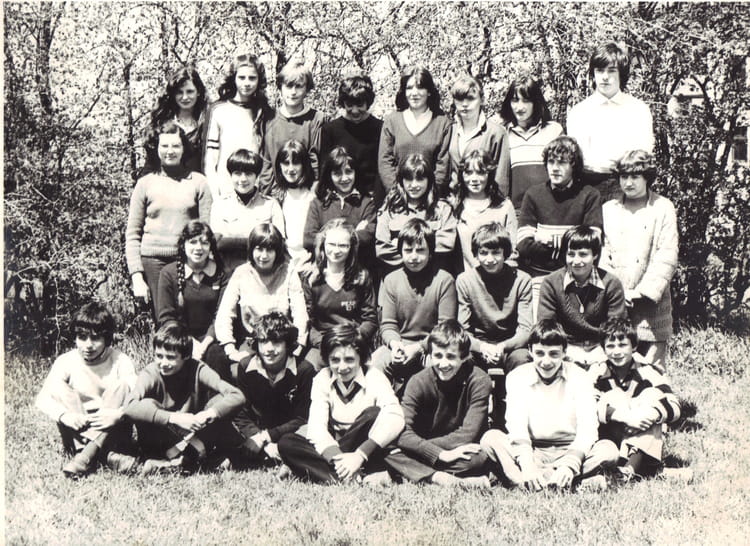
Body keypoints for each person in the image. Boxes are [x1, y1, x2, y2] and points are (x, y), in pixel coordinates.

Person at [480, 319, 619, 491]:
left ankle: (526, 483)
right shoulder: (517, 377)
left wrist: (570, 465)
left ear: (564, 352)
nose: (546, 362)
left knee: (609, 451)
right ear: (530, 351)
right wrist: (528, 465)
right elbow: (517, 427)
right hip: (533, 449)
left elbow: (588, 428)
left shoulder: (580, 377)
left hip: (570, 448)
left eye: (553, 354)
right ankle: (571, 484)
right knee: (491, 439)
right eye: (540, 353)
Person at [277, 324, 405, 484]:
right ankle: (354, 477)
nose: (342, 367)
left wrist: (360, 455)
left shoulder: (374, 376)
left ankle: (323, 472)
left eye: (349, 359)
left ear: (361, 358)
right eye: (335, 360)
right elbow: (317, 428)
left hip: (365, 448)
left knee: (374, 413)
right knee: (287, 443)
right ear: (327, 359)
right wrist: (339, 460)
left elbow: (396, 416)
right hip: (335, 446)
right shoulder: (322, 378)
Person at [120, 324, 245, 474]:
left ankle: (178, 463)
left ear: (186, 356)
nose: (163, 363)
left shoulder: (198, 369)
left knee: (219, 401)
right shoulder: (151, 373)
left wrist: (207, 414)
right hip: (160, 439)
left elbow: (237, 395)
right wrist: (174, 418)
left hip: (192, 436)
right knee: (146, 404)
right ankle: (182, 461)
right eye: (159, 356)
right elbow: (129, 406)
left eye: (170, 357)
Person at [385, 320, 492, 487]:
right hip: (429, 448)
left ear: (464, 357)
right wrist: (440, 454)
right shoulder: (418, 381)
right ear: (429, 356)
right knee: (388, 448)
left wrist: (425, 450)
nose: (443, 364)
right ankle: (440, 478)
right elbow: (402, 431)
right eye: (438, 356)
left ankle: (411, 472)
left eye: (451, 356)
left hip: (452, 447)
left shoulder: (479, 380)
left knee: (478, 458)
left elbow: (468, 434)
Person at [35, 302, 137, 478]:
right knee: (59, 386)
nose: (88, 345)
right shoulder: (66, 361)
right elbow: (43, 398)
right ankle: (103, 456)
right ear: (75, 337)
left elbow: (137, 397)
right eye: (82, 337)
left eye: (95, 338)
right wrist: (65, 416)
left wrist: (119, 414)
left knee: (121, 386)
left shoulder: (120, 360)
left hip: (112, 427)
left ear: (107, 338)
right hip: (78, 427)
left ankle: (85, 456)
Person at [601, 150, 678, 372]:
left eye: (635, 176)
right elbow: (603, 252)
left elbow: (667, 253)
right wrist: (617, 291)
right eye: (624, 176)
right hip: (617, 301)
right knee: (617, 363)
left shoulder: (663, 207)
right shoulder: (608, 210)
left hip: (651, 305)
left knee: (651, 370)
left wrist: (641, 293)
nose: (628, 182)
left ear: (647, 177)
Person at [126, 120, 212, 315]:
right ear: (156, 148)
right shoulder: (145, 184)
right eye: (164, 146)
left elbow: (207, 231)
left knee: (191, 317)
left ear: (184, 149)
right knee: (164, 319)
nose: (170, 151)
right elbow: (132, 234)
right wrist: (137, 277)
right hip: (153, 262)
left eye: (176, 146)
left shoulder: (199, 182)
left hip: (189, 260)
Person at [371, 218, 458, 397]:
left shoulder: (444, 280)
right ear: (400, 251)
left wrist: (419, 348)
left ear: (430, 252)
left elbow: (445, 328)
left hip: (433, 346)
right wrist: (395, 345)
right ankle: (382, 406)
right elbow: (388, 324)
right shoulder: (391, 280)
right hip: (401, 345)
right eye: (408, 250)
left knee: (440, 364)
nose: (414, 257)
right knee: (377, 362)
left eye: (420, 250)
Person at [516, 135, 602, 317]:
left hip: (578, 278)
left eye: (562, 162)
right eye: (551, 162)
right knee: (541, 328)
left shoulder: (589, 195)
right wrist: (569, 243)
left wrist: (548, 240)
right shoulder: (533, 194)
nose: (555, 168)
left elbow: (592, 244)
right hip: (540, 278)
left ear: (574, 166)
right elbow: (523, 245)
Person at [589, 318, 682, 481]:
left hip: (642, 429)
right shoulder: (597, 372)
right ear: (603, 349)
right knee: (615, 395)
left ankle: (628, 471)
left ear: (634, 347)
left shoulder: (648, 370)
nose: (616, 352)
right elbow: (587, 406)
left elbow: (674, 405)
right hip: (610, 434)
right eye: (610, 346)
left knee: (652, 396)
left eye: (622, 345)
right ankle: (648, 470)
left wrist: (649, 415)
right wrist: (626, 417)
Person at [213, 223, 308, 381]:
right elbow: (224, 314)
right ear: (251, 249)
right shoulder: (241, 273)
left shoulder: (288, 272)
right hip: (253, 342)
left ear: (277, 251)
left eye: (269, 250)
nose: (264, 256)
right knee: (241, 372)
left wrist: (297, 347)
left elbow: (300, 313)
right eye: (259, 249)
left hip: (281, 343)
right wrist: (230, 349)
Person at [567, 42, 655, 202]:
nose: (605, 77)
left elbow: (643, 154)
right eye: (600, 70)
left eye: (612, 70)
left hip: (627, 184)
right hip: (588, 186)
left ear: (621, 73)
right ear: (593, 73)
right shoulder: (579, 112)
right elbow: (577, 158)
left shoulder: (638, 110)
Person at [231, 312, 315, 469]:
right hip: (256, 434)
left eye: (276, 342)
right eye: (263, 341)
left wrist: (267, 437)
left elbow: (302, 417)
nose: (269, 349)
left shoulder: (304, 370)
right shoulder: (245, 366)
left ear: (288, 343)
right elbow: (241, 412)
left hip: (288, 434)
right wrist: (257, 438)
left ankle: (282, 457)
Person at [537, 226, 627, 369]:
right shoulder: (551, 283)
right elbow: (547, 326)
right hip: (565, 349)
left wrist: (602, 355)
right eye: (571, 254)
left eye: (583, 254)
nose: (576, 261)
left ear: (595, 255)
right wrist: (566, 353)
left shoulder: (611, 283)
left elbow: (616, 328)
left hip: (601, 348)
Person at [301, 219, 377, 370]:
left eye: (343, 245)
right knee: (306, 369)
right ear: (323, 245)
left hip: (354, 343)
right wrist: (325, 344)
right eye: (331, 244)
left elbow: (370, 319)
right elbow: (309, 322)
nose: (336, 251)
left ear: (351, 248)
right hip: (322, 344)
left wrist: (353, 340)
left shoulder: (362, 277)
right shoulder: (311, 279)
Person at [456, 223, 532, 373]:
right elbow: (462, 330)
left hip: (510, 346)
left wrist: (502, 347)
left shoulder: (522, 280)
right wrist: (482, 347)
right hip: (477, 346)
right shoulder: (465, 280)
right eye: (483, 253)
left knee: (523, 359)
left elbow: (525, 330)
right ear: (476, 254)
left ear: (506, 253)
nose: (489, 259)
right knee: (461, 358)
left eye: (496, 253)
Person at [157, 221, 228, 364]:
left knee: (217, 356)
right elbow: (166, 318)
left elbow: (221, 316)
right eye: (193, 242)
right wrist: (191, 343)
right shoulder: (168, 273)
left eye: (204, 243)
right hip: (179, 337)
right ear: (183, 245)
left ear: (211, 246)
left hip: (212, 338)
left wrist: (204, 345)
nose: (198, 248)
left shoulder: (222, 274)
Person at [204, 53, 274, 197]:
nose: (247, 83)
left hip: (255, 191)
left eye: (252, 78)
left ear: (259, 80)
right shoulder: (218, 110)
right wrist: (216, 195)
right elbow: (210, 159)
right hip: (224, 190)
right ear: (234, 78)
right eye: (241, 77)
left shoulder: (264, 112)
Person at [375, 153, 457, 276]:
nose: (413, 185)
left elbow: (447, 243)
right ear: (401, 181)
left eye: (420, 179)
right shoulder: (390, 209)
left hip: (433, 277)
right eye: (409, 179)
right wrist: (420, 251)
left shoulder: (442, 209)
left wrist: (401, 245)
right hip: (398, 277)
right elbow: (382, 249)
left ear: (429, 180)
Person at [378, 65, 452, 196]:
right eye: (409, 88)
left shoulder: (442, 123)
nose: (414, 93)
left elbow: (443, 166)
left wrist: (430, 196)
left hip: (432, 199)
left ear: (429, 91)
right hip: (397, 198)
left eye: (420, 87)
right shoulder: (392, 121)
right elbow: (385, 162)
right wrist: (397, 195)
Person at [209, 148, 285, 274]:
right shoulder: (220, 205)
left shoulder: (271, 205)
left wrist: (232, 241)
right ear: (231, 175)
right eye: (237, 173)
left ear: (257, 176)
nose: (243, 179)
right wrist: (259, 241)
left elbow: (278, 243)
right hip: (228, 273)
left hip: (262, 273)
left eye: (249, 173)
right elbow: (217, 244)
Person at [499, 74, 564, 210]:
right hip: (516, 211)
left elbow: (565, 172)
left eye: (526, 100)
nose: (520, 107)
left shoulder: (554, 131)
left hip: (551, 209)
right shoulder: (502, 134)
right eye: (515, 100)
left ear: (536, 102)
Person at [259, 61, 326, 192]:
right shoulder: (268, 119)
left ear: (307, 89)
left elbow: (316, 163)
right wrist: (268, 196)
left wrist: (312, 196)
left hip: (307, 193)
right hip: (275, 193)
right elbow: (266, 165)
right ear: (280, 88)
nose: (293, 92)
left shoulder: (316, 119)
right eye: (289, 86)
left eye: (299, 86)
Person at [303, 147, 377, 264]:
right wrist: (353, 235)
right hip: (325, 267)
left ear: (356, 172)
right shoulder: (318, 204)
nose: (344, 178)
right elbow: (308, 239)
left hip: (357, 268)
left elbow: (369, 235)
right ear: (329, 175)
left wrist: (323, 237)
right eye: (337, 173)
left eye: (348, 171)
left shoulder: (366, 203)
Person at [320, 72, 385, 204]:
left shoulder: (380, 128)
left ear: (368, 102)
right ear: (343, 103)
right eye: (349, 104)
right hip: (340, 199)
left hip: (372, 198)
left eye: (360, 104)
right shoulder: (330, 130)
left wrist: (376, 200)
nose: (355, 111)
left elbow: (383, 168)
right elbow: (325, 169)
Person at [452, 149, 518, 272]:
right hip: (463, 279)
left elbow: (512, 252)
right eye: (468, 172)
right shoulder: (454, 206)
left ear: (490, 174)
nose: (474, 179)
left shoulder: (504, 207)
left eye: (480, 172)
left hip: (497, 277)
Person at [448, 74, 510, 198]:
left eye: (470, 98)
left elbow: (501, 179)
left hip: (485, 203)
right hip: (454, 203)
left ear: (481, 100)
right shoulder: (450, 130)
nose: (465, 104)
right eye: (460, 99)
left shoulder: (496, 133)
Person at [144, 66, 208, 175]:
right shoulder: (162, 123)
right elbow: (151, 164)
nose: (185, 97)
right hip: (163, 182)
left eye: (190, 91)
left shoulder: (207, 123)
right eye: (179, 92)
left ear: (198, 92)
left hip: (198, 182)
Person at [270, 139, 317, 266]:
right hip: (283, 261)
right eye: (286, 163)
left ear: (304, 165)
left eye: (296, 163)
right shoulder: (276, 197)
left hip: (310, 259)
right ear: (279, 165)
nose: (290, 169)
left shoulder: (313, 196)